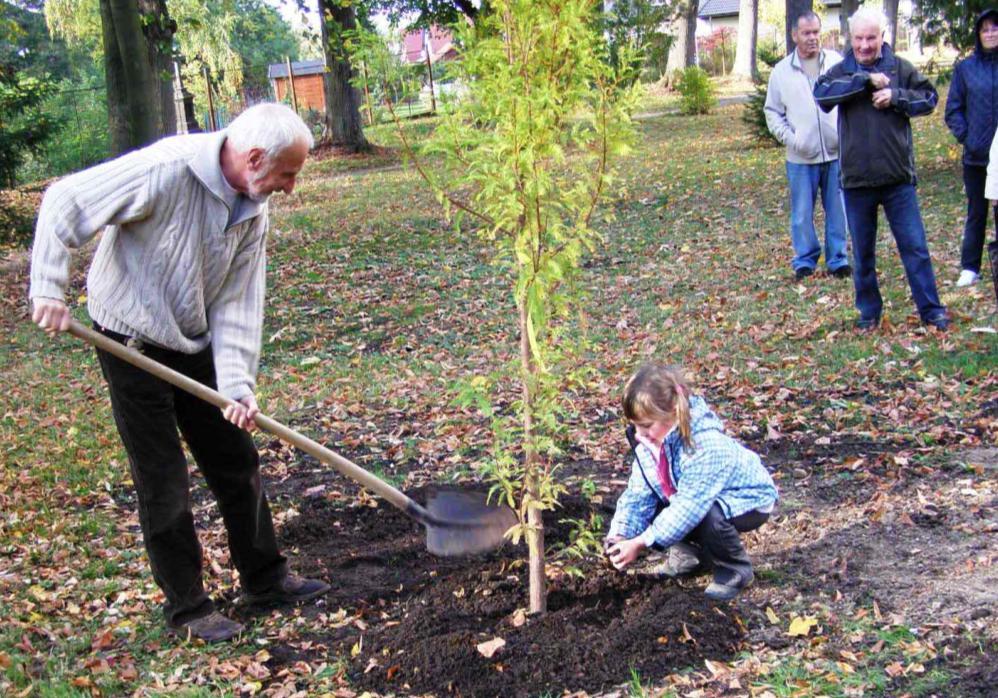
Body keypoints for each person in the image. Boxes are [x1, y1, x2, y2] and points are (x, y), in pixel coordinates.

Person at [29, 103, 330, 643]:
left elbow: (239, 301)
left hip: (192, 338)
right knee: (163, 474)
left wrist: (236, 385)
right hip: (130, 339)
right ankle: (189, 608)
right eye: (288, 173)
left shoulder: (254, 206)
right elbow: (64, 200)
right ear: (255, 157)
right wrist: (48, 287)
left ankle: (265, 581)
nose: (290, 186)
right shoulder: (164, 170)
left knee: (235, 457)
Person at [814, 7, 949, 332]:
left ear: (882, 36)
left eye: (871, 38)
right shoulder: (841, 71)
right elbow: (822, 95)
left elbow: (929, 98)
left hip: (897, 180)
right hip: (857, 181)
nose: (864, 45)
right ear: (850, 38)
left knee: (915, 248)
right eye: (858, 38)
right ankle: (868, 314)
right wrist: (864, 81)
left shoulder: (899, 68)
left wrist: (896, 96)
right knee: (862, 254)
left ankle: (932, 312)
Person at [604, 364, 778, 602]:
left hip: (748, 500)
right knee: (659, 499)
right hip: (696, 498)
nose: (639, 434)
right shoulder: (651, 444)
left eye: (646, 426)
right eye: (635, 426)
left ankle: (735, 570)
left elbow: (689, 506)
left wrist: (642, 542)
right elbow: (639, 492)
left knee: (707, 514)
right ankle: (691, 557)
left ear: (673, 412)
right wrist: (621, 534)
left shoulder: (704, 445)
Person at [765, 11, 851, 281]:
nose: (813, 38)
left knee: (838, 211)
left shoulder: (836, 63)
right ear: (794, 35)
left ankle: (838, 259)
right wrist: (793, 140)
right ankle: (804, 260)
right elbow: (772, 112)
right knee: (802, 214)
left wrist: (845, 135)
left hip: (836, 153)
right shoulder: (781, 72)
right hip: (800, 158)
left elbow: (850, 101)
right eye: (806, 33)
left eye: (816, 32)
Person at [945, 9, 998, 288]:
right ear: (978, 34)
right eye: (985, 29)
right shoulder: (966, 69)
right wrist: (969, 138)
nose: (991, 33)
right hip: (977, 156)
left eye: (995, 28)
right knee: (977, 211)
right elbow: (953, 110)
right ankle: (970, 267)